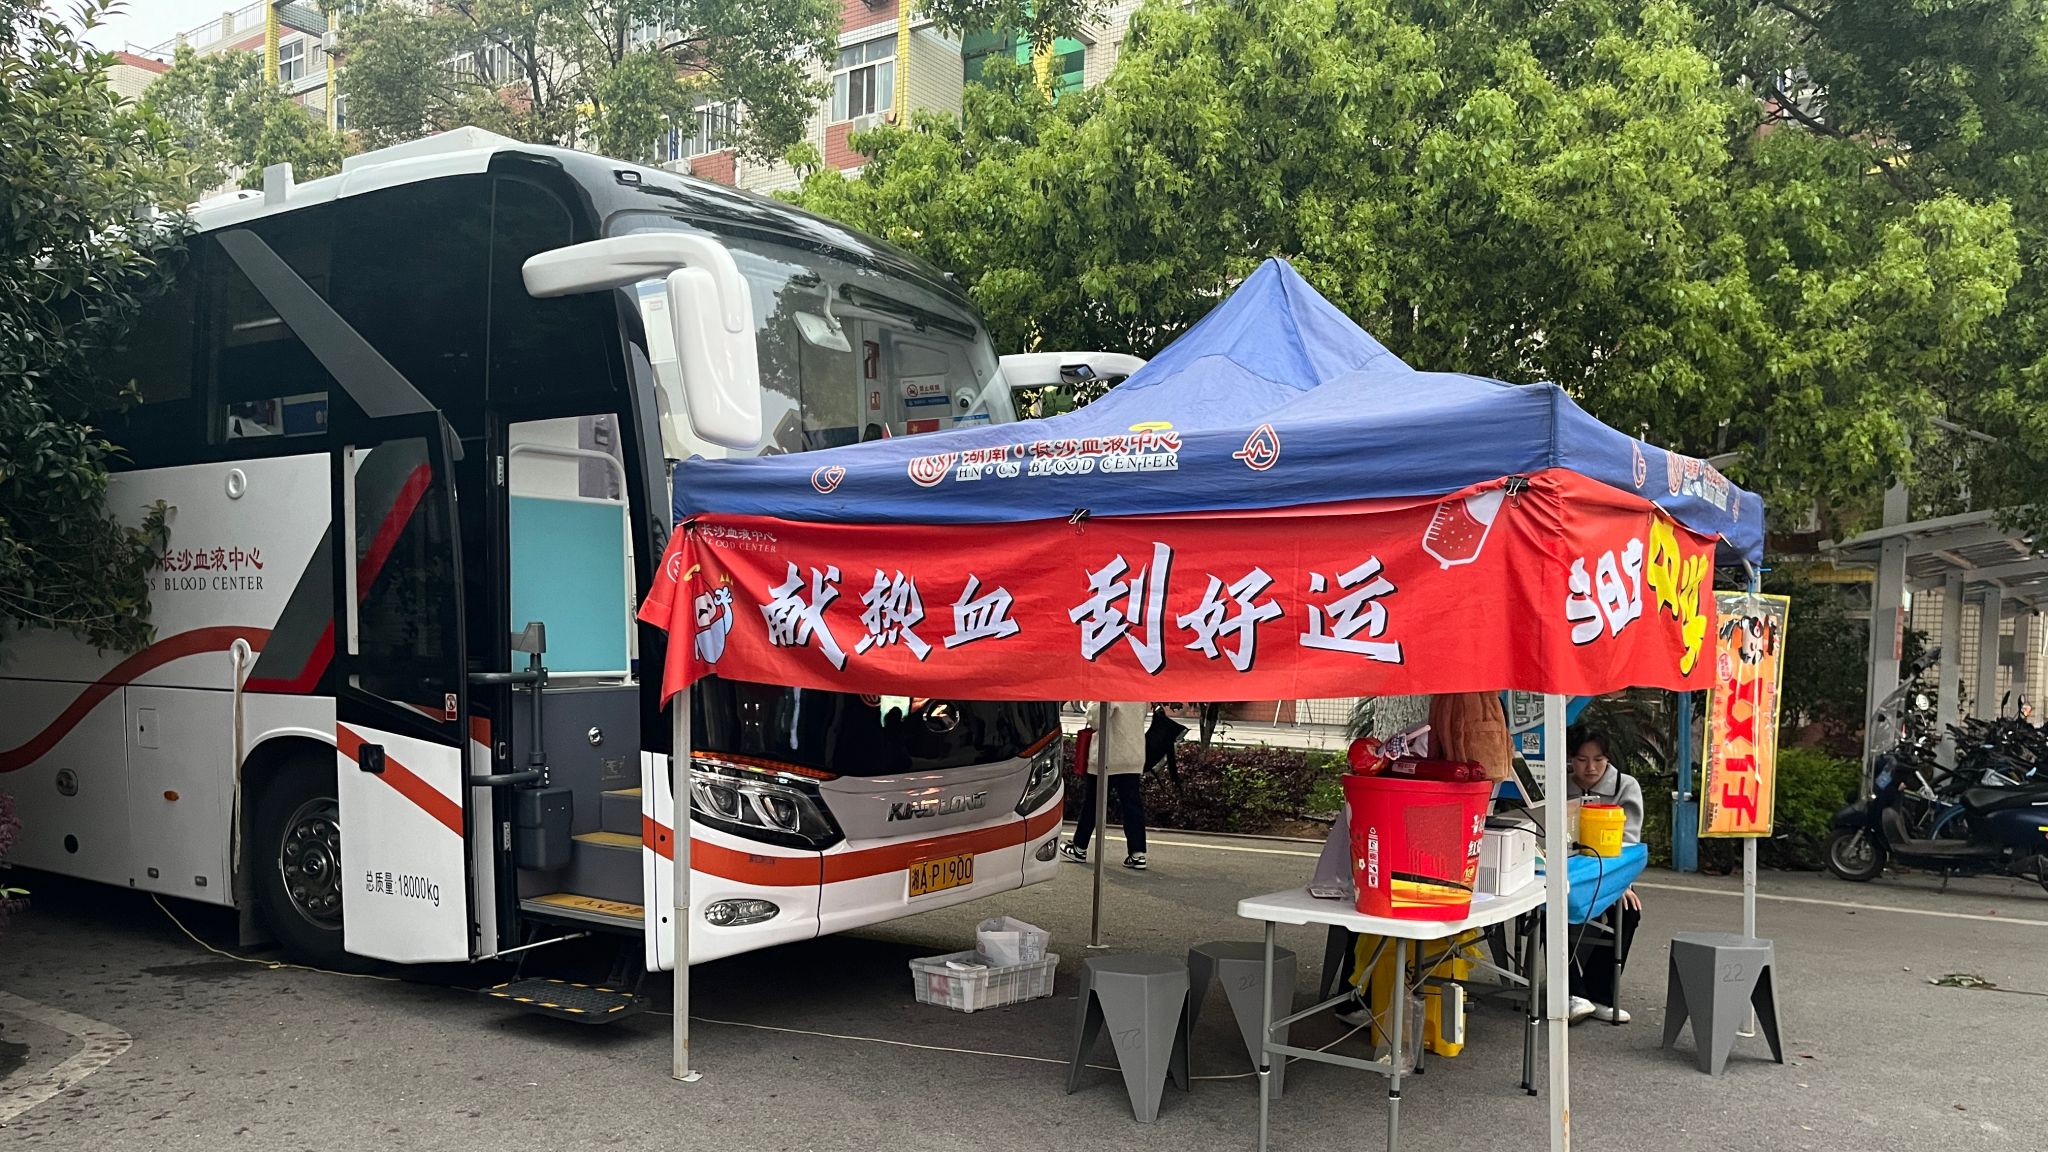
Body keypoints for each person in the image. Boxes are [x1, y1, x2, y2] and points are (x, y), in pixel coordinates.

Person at [1563, 727, 1644, 1024]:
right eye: (1582, 760)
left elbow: (1629, 843)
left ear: (1608, 758)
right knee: (1548, 911)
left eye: (1598, 760)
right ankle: (1573, 992)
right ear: (1570, 758)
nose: (1590, 768)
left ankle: (1600, 993)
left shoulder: (1626, 786)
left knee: (1629, 912)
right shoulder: (1557, 784)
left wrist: (1622, 883)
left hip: (1610, 874)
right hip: (1566, 876)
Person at [1059, 701, 1150, 870]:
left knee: (1093, 804)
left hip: (1107, 756)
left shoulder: (1109, 690)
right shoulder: (1139, 692)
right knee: (1132, 807)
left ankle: (1079, 848)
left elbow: (1096, 719)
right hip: (1133, 756)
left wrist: (1090, 703)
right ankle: (1137, 854)